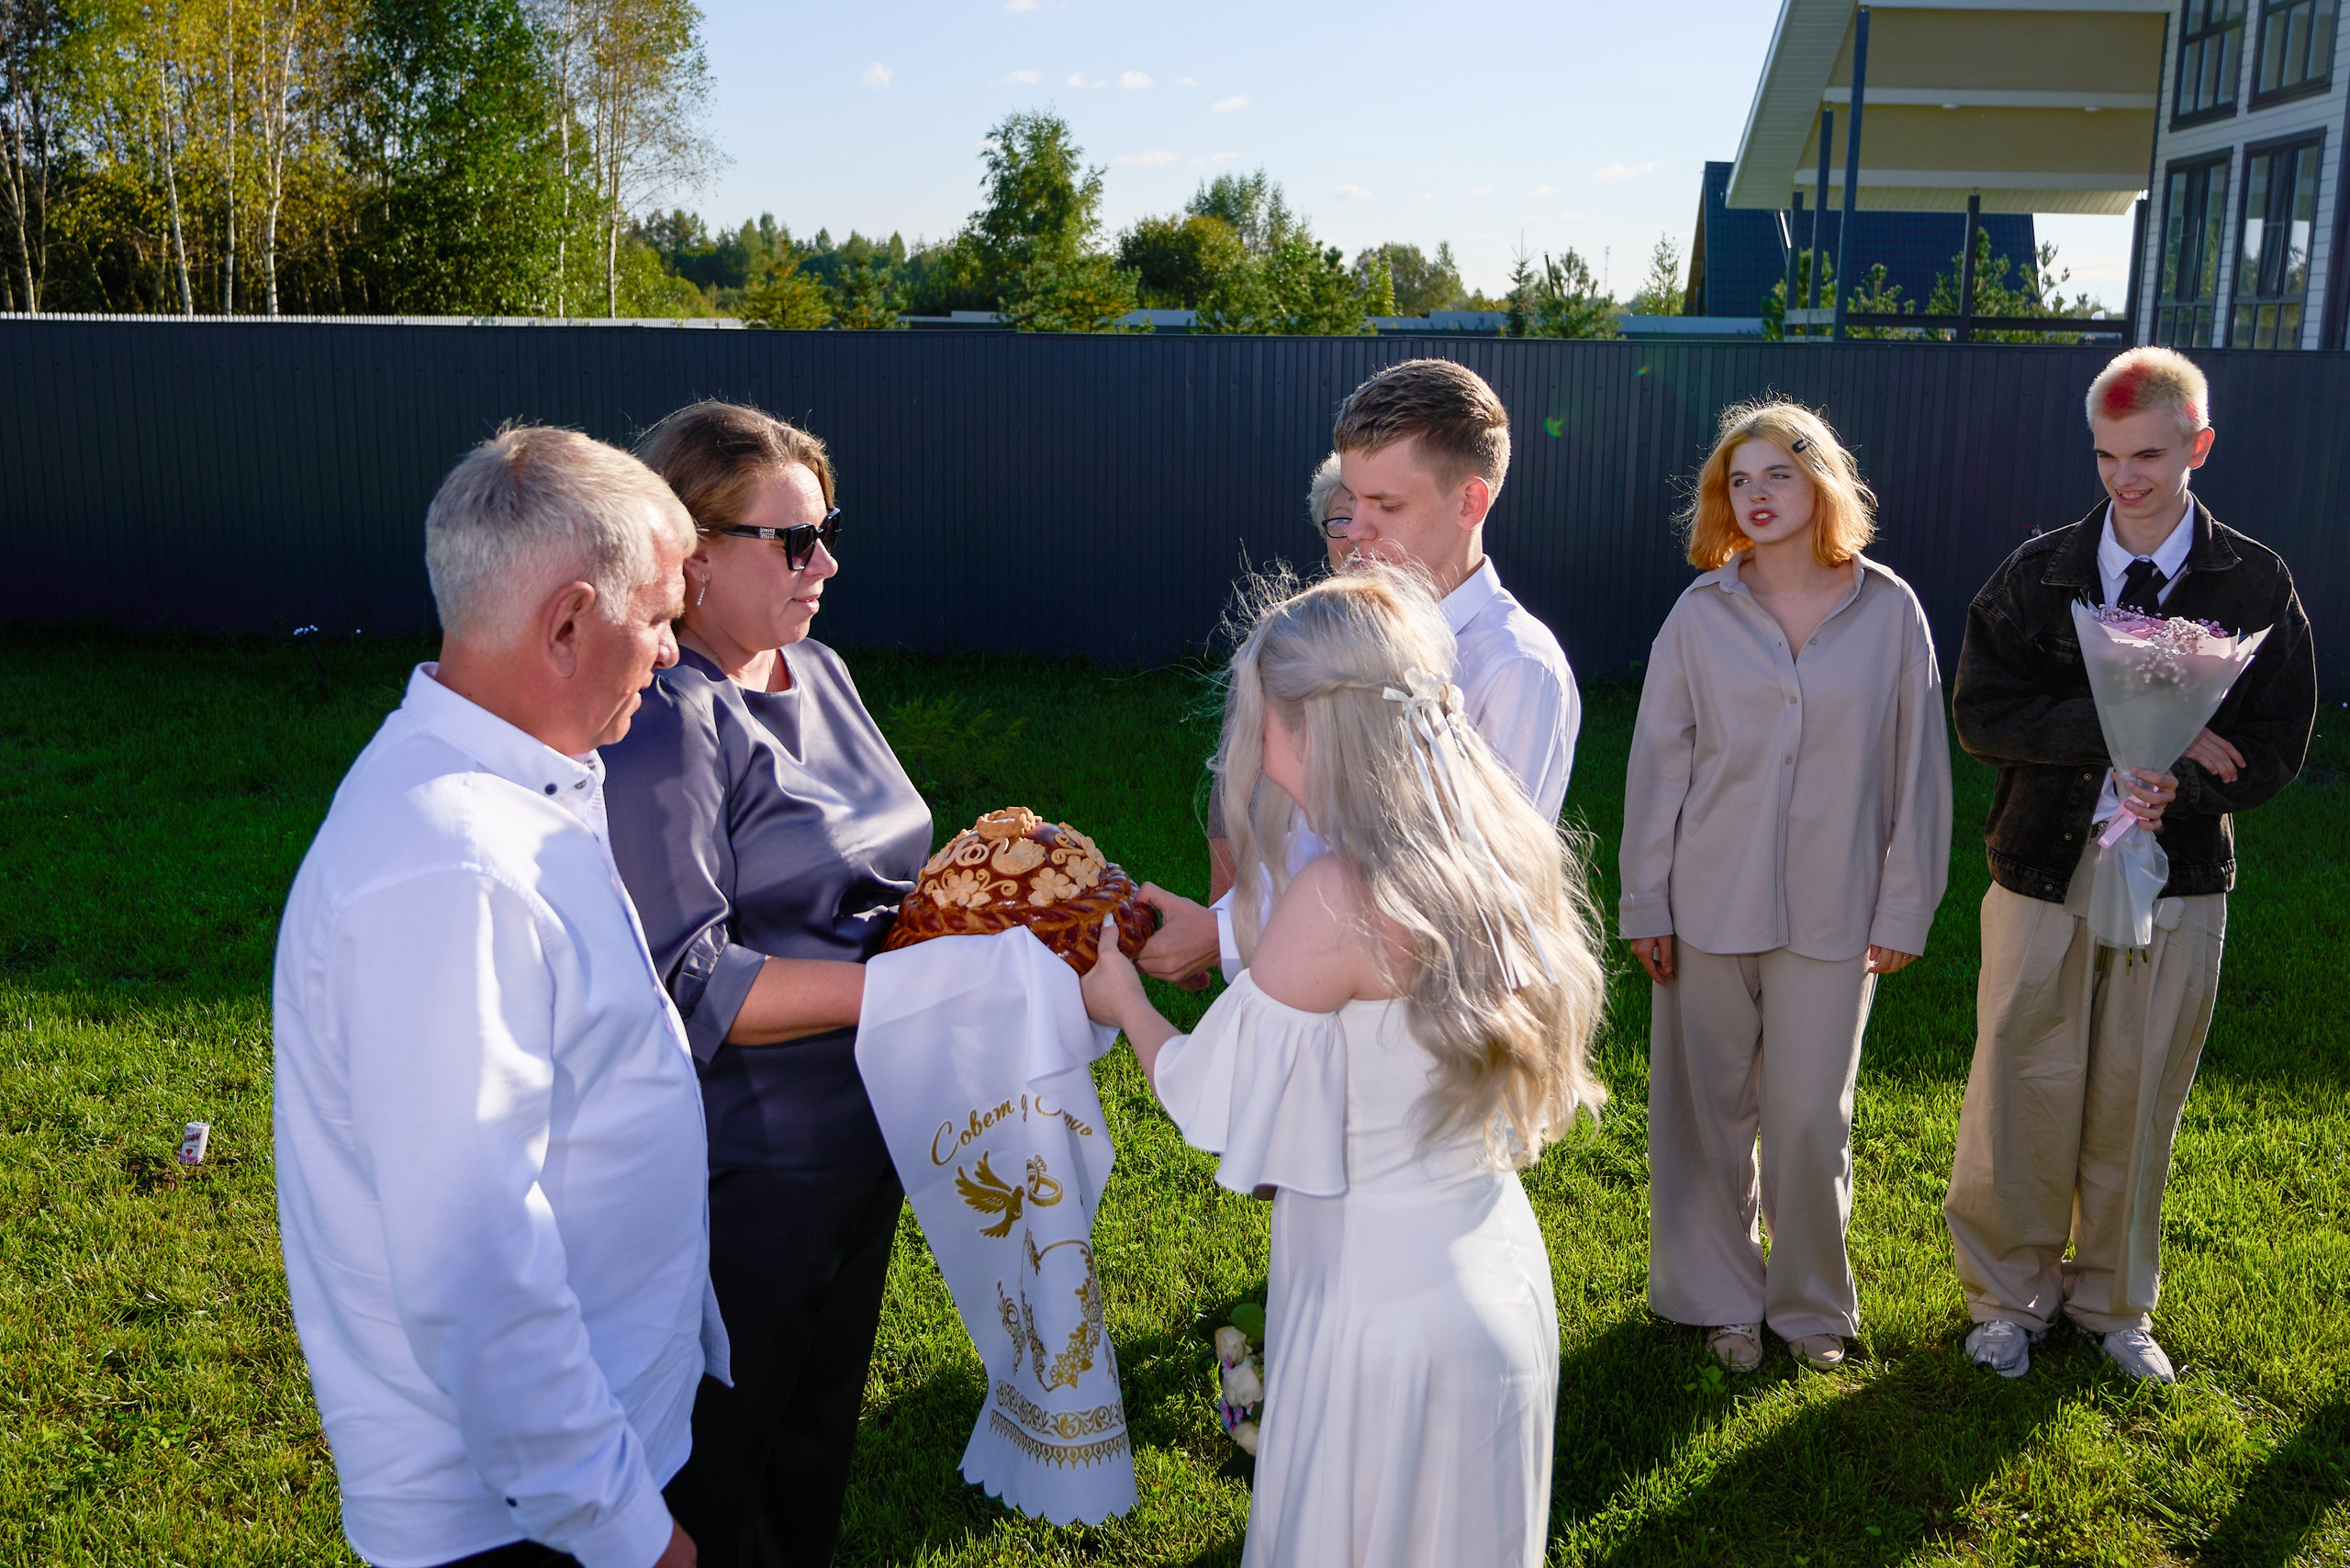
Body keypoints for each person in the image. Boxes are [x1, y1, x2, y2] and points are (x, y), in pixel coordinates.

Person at [1080, 566, 1608, 1568]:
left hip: (1382, 1300)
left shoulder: (1341, 891)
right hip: (1488, 1262)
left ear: (1303, 722)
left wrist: (1123, 1003)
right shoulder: (1495, 850)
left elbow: (1213, 1099)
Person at [273, 426, 716, 1568]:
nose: (672, 651)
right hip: (519, 1516)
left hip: (575, 1460)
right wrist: (627, 1532)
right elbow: (474, 1261)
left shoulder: (513, 785)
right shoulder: (453, 865)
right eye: (661, 617)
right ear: (567, 623)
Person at [599, 402, 932, 1566]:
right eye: (792, 540)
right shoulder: (667, 718)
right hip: (751, 1172)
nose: (825, 562)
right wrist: (921, 990)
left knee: (813, 1452)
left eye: (827, 530)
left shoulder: (819, 668)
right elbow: (689, 983)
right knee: (721, 1474)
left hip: (865, 1135)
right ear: (688, 557)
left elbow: (888, 876)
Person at [1943, 347, 2315, 1383]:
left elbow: (2279, 739)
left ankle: (2112, 1302)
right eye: (2106, 455)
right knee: (2020, 1074)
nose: (2124, 478)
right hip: (2038, 870)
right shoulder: (2037, 573)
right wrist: (2121, 734)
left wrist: (2187, 785)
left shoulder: (2253, 580)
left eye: (2148, 454)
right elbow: (1981, 715)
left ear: (2198, 444)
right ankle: (2007, 1298)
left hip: (2180, 877)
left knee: (2137, 1084)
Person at [1619, 400, 1952, 1374]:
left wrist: (1903, 907)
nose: (1757, 497)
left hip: (1837, 914)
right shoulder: (1697, 614)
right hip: (1703, 902)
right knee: (1705, 1116)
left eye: (1778, 476)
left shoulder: (1888, 611)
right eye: (1739, 480)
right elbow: (1657, 766)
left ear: (1821, 485)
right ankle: (1720, 1295)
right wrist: (1646, 899)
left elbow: (1915, 775)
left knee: (1810, 1118)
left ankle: (1811, 1306)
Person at [1145, 357, 1582, 983]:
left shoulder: (1513, 667)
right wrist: (1226, 916)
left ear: (1471, 502)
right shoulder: (1351, 630)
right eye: (1350, 503)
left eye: (1387, 505)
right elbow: (1307, 838)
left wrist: (1222, 935)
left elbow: (1452, 894)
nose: (1355, 533)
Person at [1204, 452, 1357, 906]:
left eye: (1378, 512)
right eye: (1340, 520)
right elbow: (1233, 776)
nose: (1354, 535)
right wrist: (1224, 900)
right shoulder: (1278, 639)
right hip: (1277, 889)